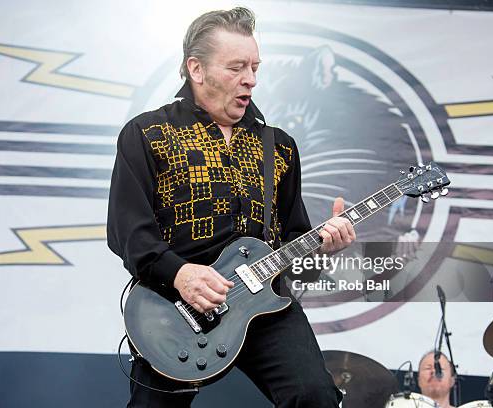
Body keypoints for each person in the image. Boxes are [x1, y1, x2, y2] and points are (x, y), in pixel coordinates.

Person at [107, 7, 356, 407]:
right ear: (196, 69)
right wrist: (181, 274)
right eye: (237, 67)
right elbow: (128, 232)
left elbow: (292, 236)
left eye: (255, 67)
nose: (251, 79)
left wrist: (323, 243)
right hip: (174, 306)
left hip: (262, 302)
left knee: (315, 397)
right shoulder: (148, 132)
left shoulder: (279, 145)